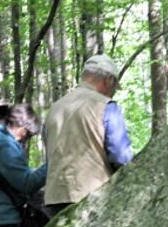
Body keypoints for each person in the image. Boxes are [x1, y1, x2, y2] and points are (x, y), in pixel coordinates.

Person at [43, 54, 133, 218]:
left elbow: (49, 156)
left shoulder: (55, 108)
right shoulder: (106, 106)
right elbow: (121, 157)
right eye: (114, 87)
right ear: (108, 80)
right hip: (91, 196)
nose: (113, 93)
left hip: (54, 198)